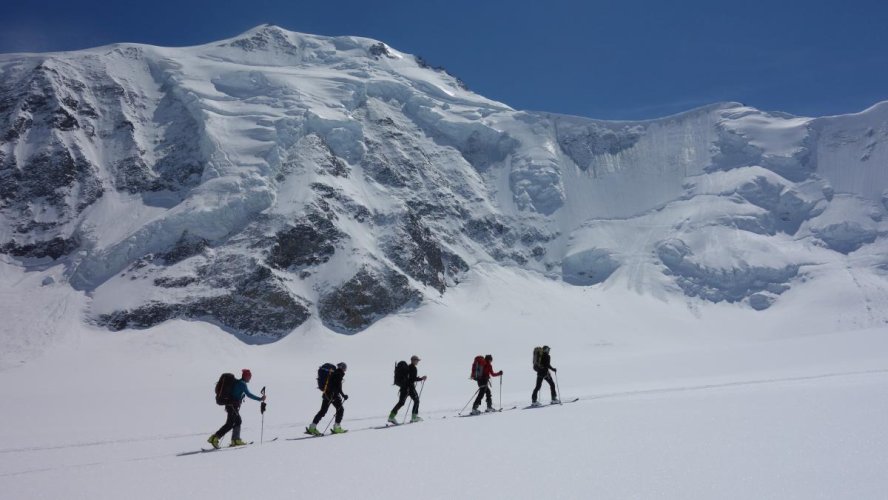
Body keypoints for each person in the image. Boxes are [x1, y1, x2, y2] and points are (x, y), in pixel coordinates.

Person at [207, 369, 265, 448]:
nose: (250, 378)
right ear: (246, 376)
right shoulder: (242, 384)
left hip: (231, 405)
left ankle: (235, 440)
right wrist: (260, 399)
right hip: (232, 406)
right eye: (249, 376)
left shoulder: (238, 382)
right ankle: (215, 438)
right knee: (230, 423)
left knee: (237, 421)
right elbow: (249, 394)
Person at [307, 362, 349, 435]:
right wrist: (343, 395)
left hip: (326, 393)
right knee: (340, 410)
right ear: (342, 368)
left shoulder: (334, 373)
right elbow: (338, 387)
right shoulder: (338, 374)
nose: (345, 370)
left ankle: (312, 427)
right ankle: (337, 428)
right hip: (333, 395)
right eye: (345, 368)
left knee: (323, 411)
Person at [388, 355, 427, 424]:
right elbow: (413, 379)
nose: (417, 361)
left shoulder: (408, 367)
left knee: (401, 402)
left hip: (403, 387)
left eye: (417, 360)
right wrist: (421, 378)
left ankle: (391, 416)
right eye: (416, 360)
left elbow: (410, 378)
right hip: (409, 388)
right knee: (416, 400)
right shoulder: (413, 368)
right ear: (413, 360)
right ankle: (414, 417)